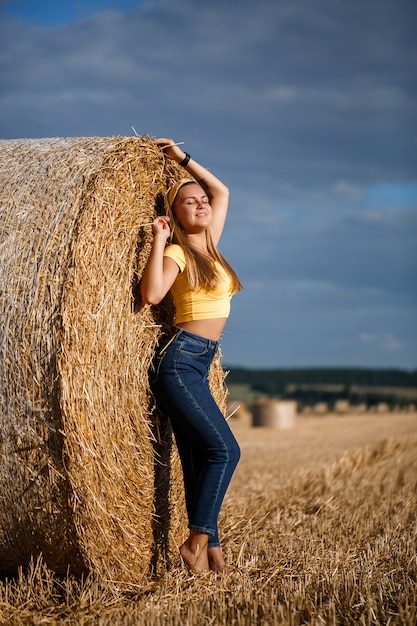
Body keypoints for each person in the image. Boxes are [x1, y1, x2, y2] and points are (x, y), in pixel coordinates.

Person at [140, 138, 242, 574]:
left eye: (201, 201)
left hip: (202, 361)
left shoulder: (212, 244)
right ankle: (196, 543)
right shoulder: (180, 251)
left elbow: (222, 192)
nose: (202, 204)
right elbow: (151, 294)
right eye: (189, 202)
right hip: (180, 362)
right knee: (225, 451)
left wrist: (181, 160)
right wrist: (159, 240)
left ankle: (211, 555)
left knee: (200, 456)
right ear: (176, 214)